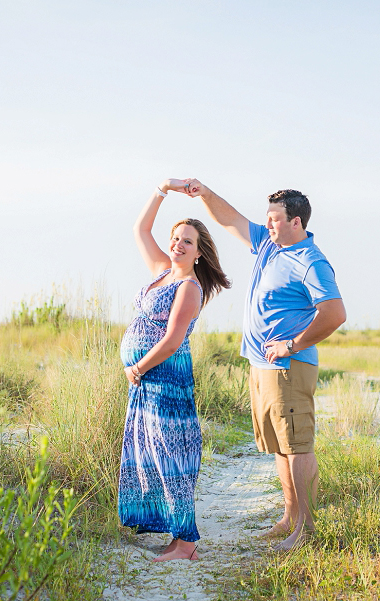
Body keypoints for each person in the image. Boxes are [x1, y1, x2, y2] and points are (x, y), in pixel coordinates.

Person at [185, 179, 346, 551]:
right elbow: (231, 221)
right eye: (268, 218)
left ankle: (306, 529)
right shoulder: (269, 246)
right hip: (262, 366)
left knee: (297, 446)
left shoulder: (310, 261)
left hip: (289, 367)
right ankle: (290, 517)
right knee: (279, 446)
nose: (268, 224)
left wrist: (292, 344)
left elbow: (335, 313)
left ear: (296, 223)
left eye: (275, 219)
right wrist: (205, 194)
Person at [117, 179, 231, 562]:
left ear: (199, 253)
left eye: (187, 242)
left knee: (172, 457)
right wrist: (162, 188)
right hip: (148, 379)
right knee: (152, 453)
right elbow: (140, 229)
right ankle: (175, 537)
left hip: (164, 379)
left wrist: (137, 367)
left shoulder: (190, 287)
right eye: (177, 238)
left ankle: (186, 544)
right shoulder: (162, 271)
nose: (178, 245)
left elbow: (171, 341)